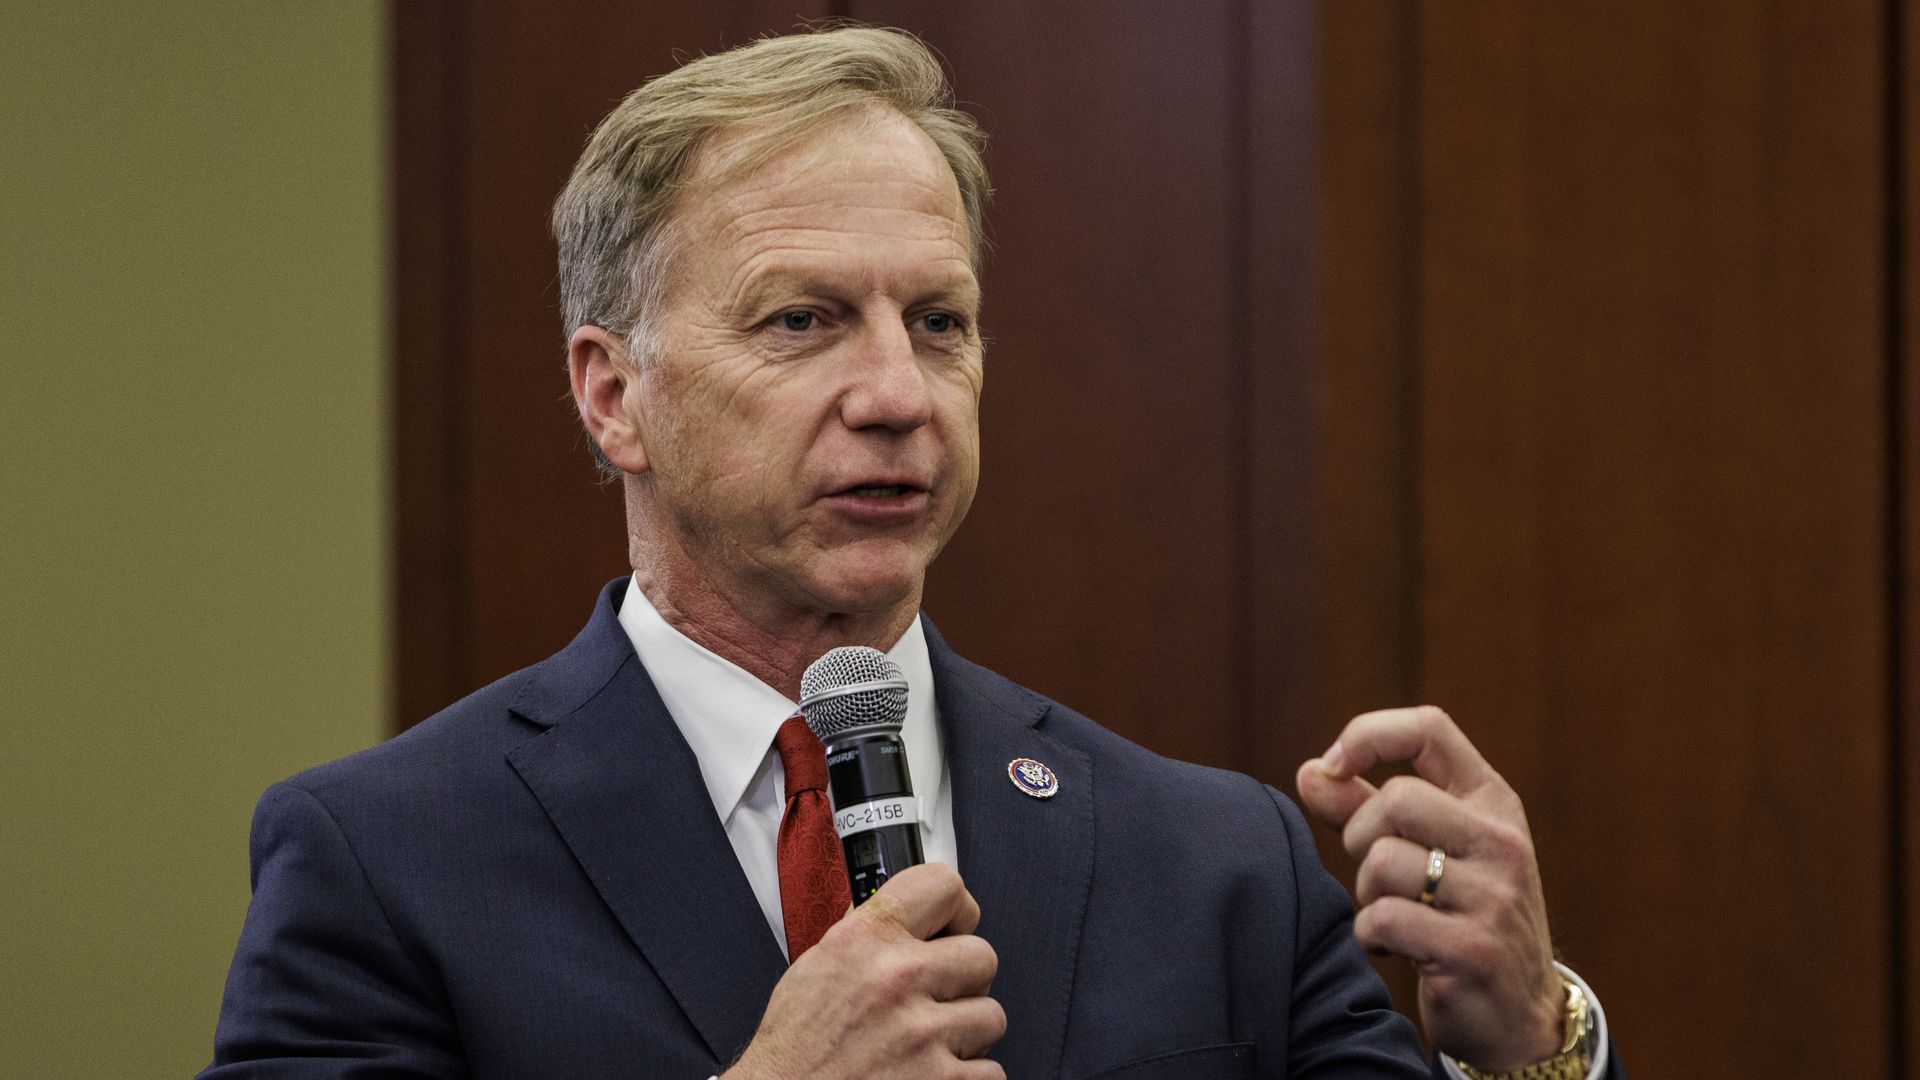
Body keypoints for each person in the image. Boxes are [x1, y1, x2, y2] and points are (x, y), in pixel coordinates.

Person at [204, 26, 1618, 1080]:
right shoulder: (385, 860)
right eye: (801, 320)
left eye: (937, 322)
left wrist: (1535, 1048)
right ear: (611, 392)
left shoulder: (1217, 866)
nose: (896, 392)